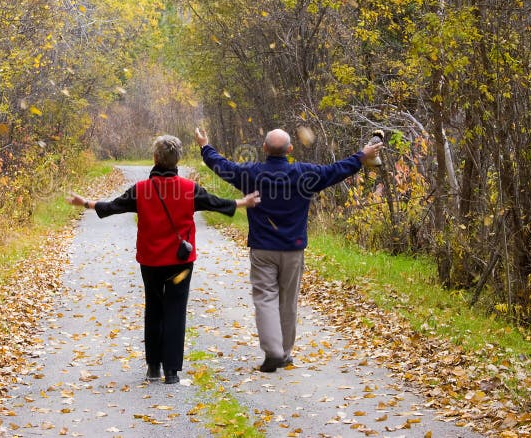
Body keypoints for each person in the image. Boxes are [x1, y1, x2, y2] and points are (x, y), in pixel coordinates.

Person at [66, 135, 260, 384]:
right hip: (181, 263)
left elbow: (114, 206)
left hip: (150, 261)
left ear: (156, 158)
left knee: (154, 309)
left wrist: (86, 203)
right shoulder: (189, 189)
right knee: (175, 311)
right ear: (177, 159)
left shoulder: (141, 190)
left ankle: (153, 367)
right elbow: (214, 203)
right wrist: (241, 203)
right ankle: (172, 371)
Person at [194, 127, 381, 372]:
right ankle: (284, 352)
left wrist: (205, 146)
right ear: (290, 150)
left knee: (265, 298)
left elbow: (221, 165)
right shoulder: (305, 174)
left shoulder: (250, 173)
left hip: (262, 249)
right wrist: (361, 155)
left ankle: (274, 351)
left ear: (264, 149)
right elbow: (337, 170)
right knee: (288, 301)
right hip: (293, 249)